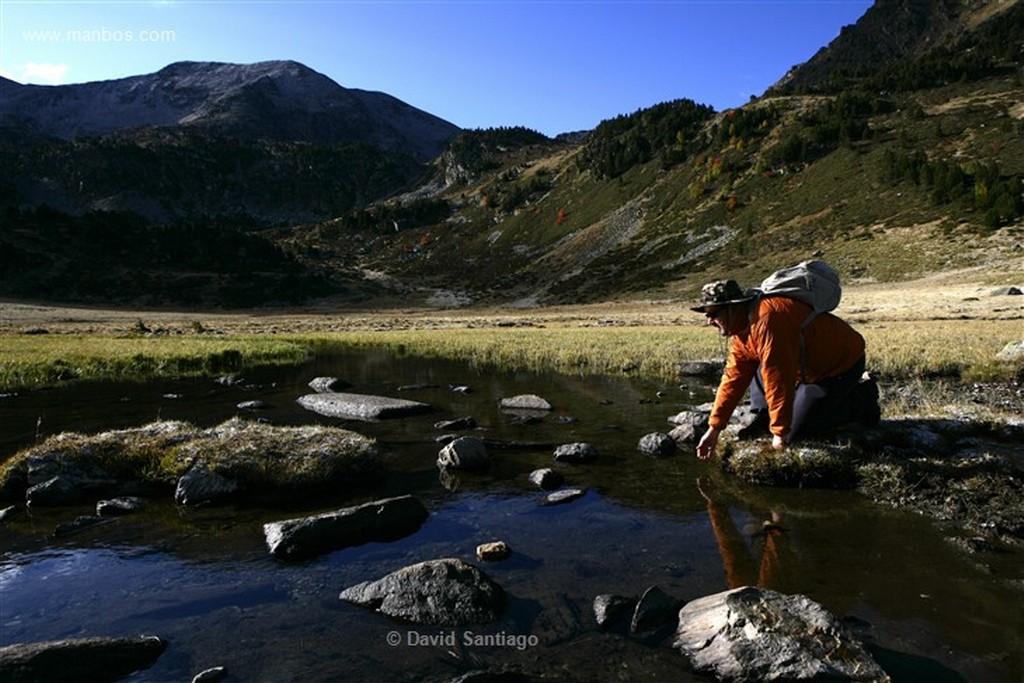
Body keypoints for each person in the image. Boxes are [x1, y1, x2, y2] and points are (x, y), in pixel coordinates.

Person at [692, 278, 880, 460]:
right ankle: (765, 416)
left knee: (799, 432)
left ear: (732, 308)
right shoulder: (741, 329)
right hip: (803, 368)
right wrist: (714, 428)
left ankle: (863, 397)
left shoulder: (768, 320)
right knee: (757, 369)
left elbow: (778, 379)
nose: (709, 321)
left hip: (839, 366)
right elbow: (733, 378)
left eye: (713, 314)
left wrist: (780, 435)